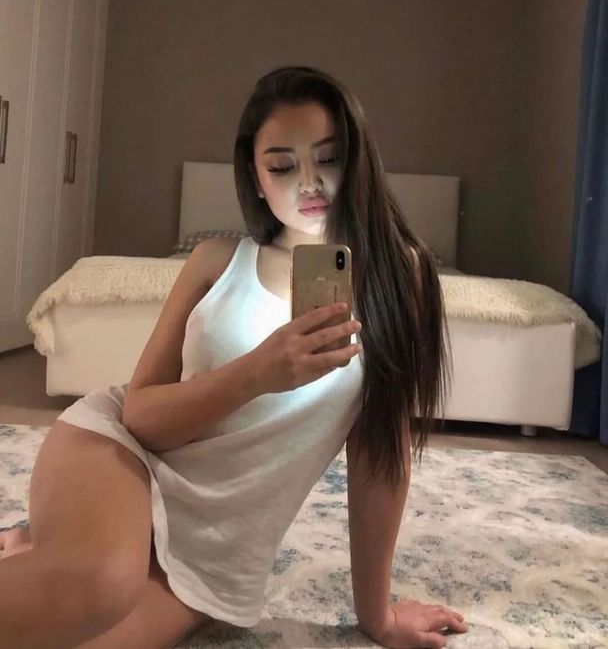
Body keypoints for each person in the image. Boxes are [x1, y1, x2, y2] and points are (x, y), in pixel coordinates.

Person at [0, 66, 468, 649]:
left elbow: (381, 458)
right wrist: (258, 372)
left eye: (329, 158)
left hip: (216, 546)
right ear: (256, 176)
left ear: (358, 163)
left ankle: (40, 549)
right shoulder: (216, 262)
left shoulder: (401, 280)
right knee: (101, 585)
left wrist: (379, 617)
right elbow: (140, 419)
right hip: (122, 459)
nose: (309, 183)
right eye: (282, 166)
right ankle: (69, 550)